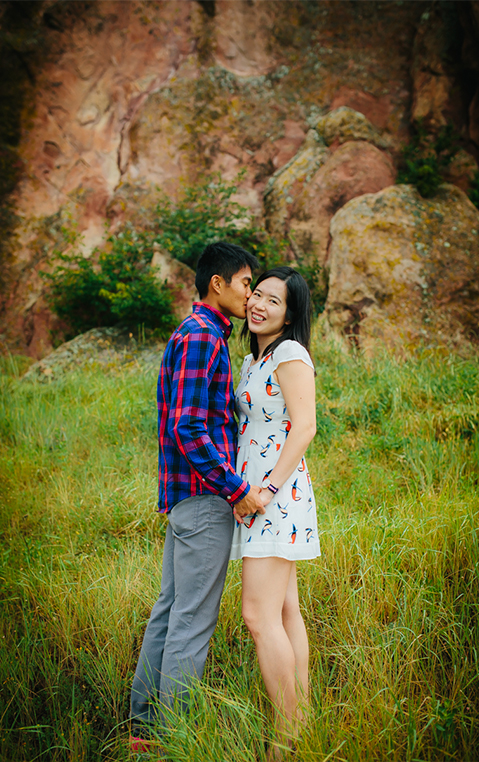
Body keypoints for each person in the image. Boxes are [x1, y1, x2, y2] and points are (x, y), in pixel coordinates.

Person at [130, 242, 269, 751]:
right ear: (219, 283)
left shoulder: (198, 334)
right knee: (191, 620)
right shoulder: (203, 337)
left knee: (170, 611)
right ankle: (174, 739)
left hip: (189, 500)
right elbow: (188, 427)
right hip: (206, 502)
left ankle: (144, 731)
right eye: (246, 283)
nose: (250, 293)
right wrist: (237, 490)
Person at [231, 266, 320, 756]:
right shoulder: (253, 360)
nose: (259, 305)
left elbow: (304, 427)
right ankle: (302, 722)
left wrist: (264, 489)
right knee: (285, 610)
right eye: (257, 295)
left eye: (273, 301)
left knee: (257, 615)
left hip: (274, 497)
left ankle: (285, 740)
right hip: (261, 495)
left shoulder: (289, 353)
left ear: (289, 317)